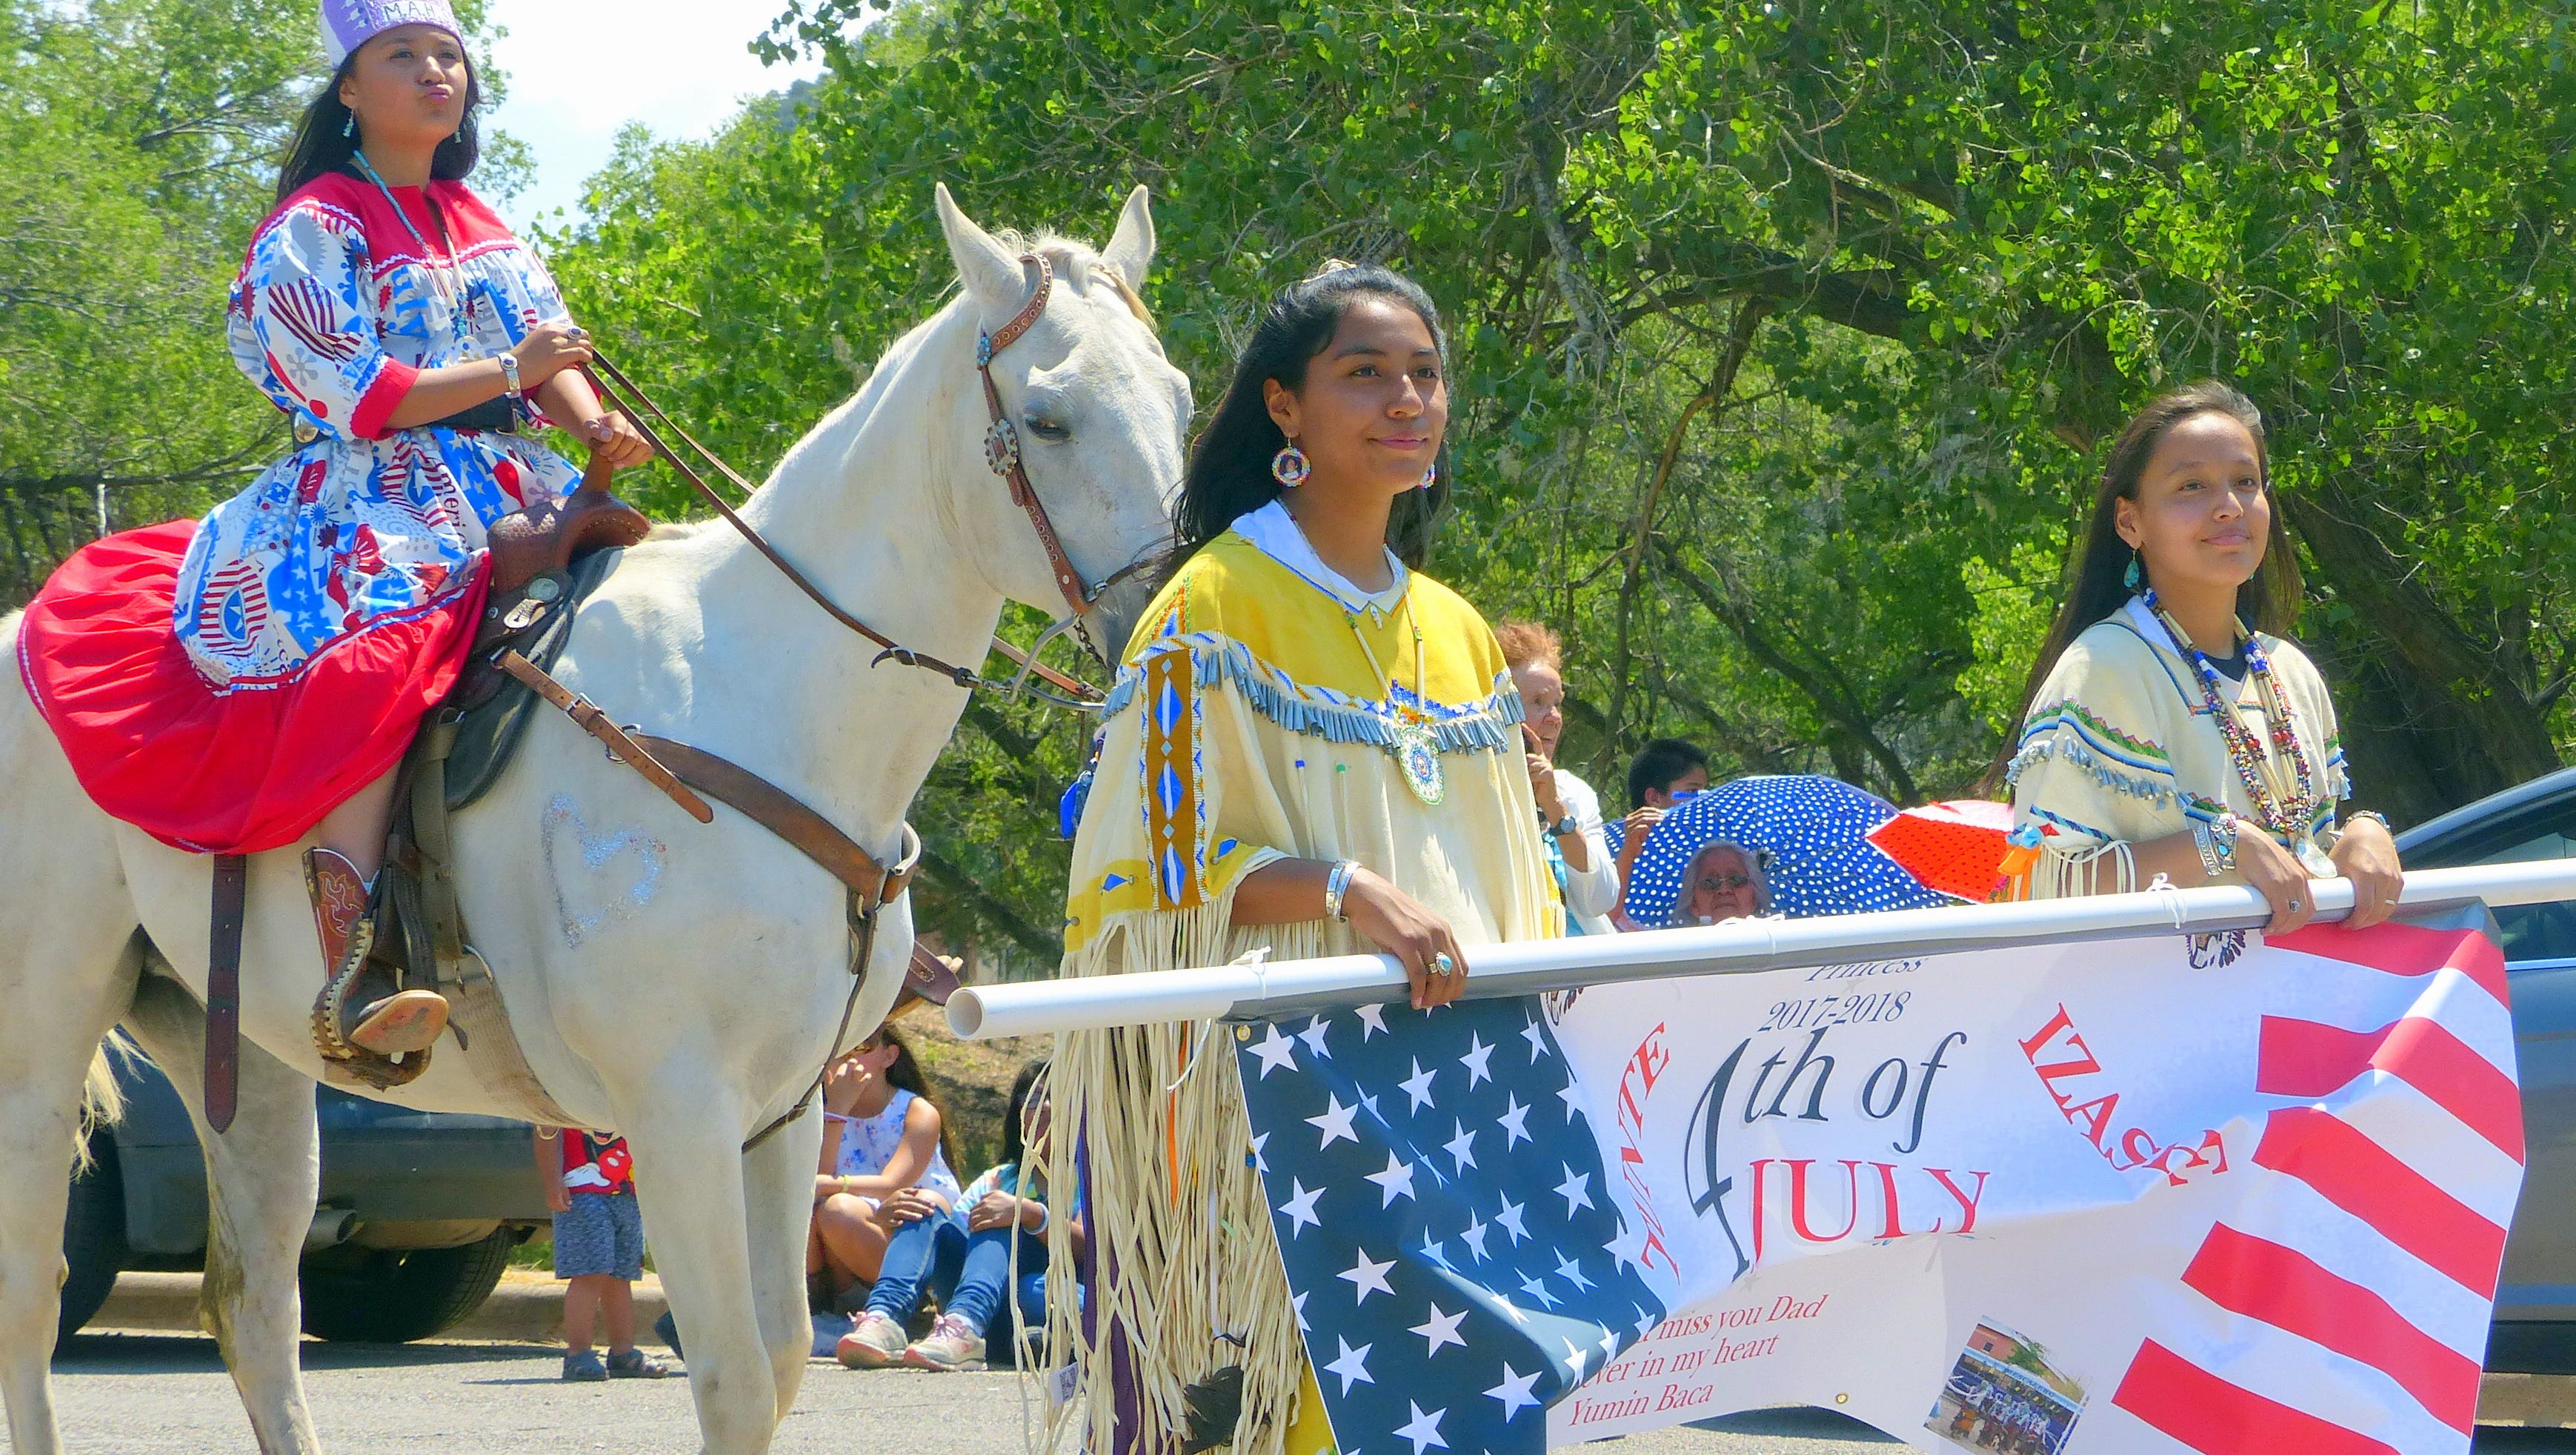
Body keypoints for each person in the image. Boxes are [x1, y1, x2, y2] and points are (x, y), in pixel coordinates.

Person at [15, 1, 650, 1079]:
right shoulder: (315, 223)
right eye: (403, 55)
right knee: (382, 654)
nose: (436, 71)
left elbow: (551, 351)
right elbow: (356, 392)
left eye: (448, 54)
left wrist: (594, 424)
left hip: (514, 477)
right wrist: (513, 372)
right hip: (373, 491)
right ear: (349, 89)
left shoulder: (480, 220)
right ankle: (360, 950)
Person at [1049, 262, 1559, 1454]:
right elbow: (1147, 870)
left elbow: (1516, 881)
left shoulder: (1457, 629)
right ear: (1284, 406)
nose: (1407, 400)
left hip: (1463, 1090)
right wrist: (1345, 890)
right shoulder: (1213, 607)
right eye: (1365, 373)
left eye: (1425, 374)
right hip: (1297, 1103)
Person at [2004, 381, 2402, 929]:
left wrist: (2363, 833)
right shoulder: (2103, 667)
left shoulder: (2290, 672)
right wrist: (2219, 845)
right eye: (2192, 486)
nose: (2228, 507)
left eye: (2246, 482)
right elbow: (2041, 885)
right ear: (2130, 522)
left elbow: (2300, 855)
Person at [846, 1060, 1089, 1373]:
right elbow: (957, 1238)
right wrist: (888, 1219)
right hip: (987, 1303)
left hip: (1044, 1297)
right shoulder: (1000, 1179)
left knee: (1014, 1243)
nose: (1043, 1107)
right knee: (925, 1208)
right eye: (1032, 1098)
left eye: (1056, 1096)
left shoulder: (1092, 1178)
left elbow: (1090, 1251)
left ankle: (972, 1326)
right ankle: (884, 1317)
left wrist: (1032, 1214)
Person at [811, 1026, 963, 1352]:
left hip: (913, 1228)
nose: (848, 1060)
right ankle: (837, 1305)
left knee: (837, 1210)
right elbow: (817, 1183)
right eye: (839, 1050)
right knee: (818, 1212)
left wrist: (834, 1185)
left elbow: (894, 1184)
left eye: (860, 1048)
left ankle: (911, 1306)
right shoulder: (821, 1113)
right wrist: (837, 1110)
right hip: (858, 1226)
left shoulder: (917, 1111)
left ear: (889, 1056)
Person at [1495, 621, 1617, 935]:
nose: (1555, 718)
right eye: (1538, 702)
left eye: (1557, 704)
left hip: (1579, 956)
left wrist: (1554, 807)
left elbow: (1601, 900)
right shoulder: (1472, 789)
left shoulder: (1573, 791)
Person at [533, 1128, 668, 1381]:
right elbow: (546, 1128)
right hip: (582, 1193)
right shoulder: (570, 1100)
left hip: (628, 1192)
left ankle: (623, 1352)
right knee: (590, 1273)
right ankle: (578, 1353)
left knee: (621, 1275)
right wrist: (552, 1182)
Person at [1608, 737, 1710, 927]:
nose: (1703, 800)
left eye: (1705, 791)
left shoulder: (1709, 848)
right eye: (1692, 791)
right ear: (1654, 797)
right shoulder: (1607, 850)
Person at [1670, 839, 1774, 925]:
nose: (1724, 890)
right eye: (1709, 883)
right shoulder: (1675, 944)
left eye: (1736, 880)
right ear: (1693, 902)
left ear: (1754, 896)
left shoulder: (1777, 938)